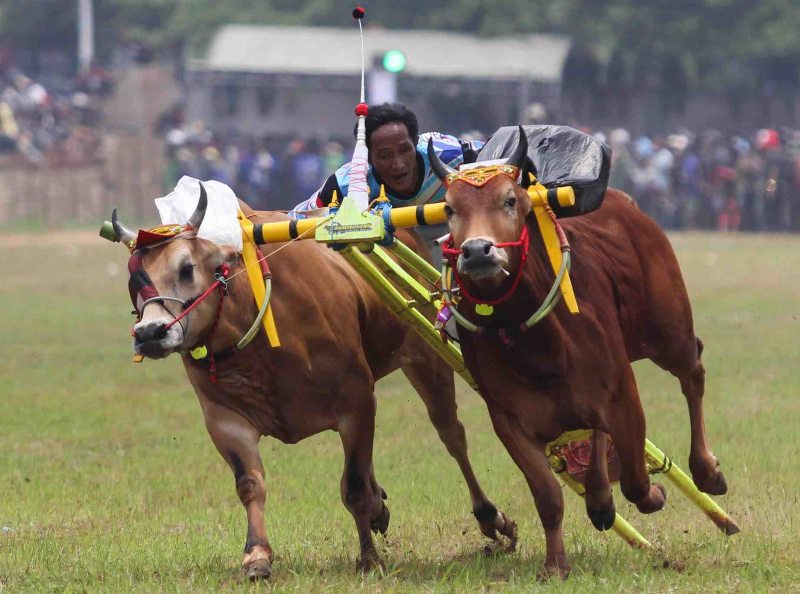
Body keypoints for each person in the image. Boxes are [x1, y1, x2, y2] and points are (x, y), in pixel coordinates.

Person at [290, 102, 483, 215]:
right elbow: (297, 221)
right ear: (368, 158)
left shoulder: (452, 154)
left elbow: (500, 159)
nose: (398, 164)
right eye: (384, 156)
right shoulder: (346, 184)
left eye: (404, 150)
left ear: (415, 142)